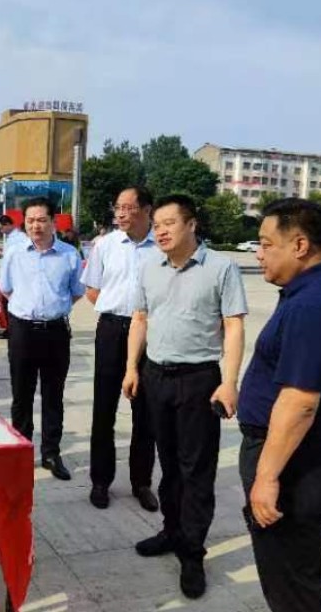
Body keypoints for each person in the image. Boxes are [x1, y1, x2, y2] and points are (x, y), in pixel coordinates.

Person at [238, 198, 321, 612]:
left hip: (297, 464)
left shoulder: (315, 304)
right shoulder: (320, 291)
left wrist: (267, 476)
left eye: (266, 244)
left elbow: (300, 402)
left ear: (299, 245)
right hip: (304, 457)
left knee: (291, 585)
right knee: (296, 573)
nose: (259, 254)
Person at [123, 194, 247, 599]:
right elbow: (140, 319)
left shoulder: (221, 268)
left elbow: (233, 326)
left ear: (192, 224)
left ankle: (192, 552)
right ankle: (171, 531)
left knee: (197, 469)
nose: (160, 231)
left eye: (169, 223)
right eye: (157, 224)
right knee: (169, 463)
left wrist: (229, 382)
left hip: (199, 379)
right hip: (155, 375)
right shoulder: (149, 267)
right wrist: (132, 367)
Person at [80, 186, 158, 512]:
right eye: (118, 208)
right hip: (112, 329)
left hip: (151, 333)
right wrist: (118, 313)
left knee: (146, 412)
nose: (121, 213)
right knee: (104, 409)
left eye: (128, 207)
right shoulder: (105, 245)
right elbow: (92, 290)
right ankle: (101, 481)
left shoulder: (162, 245)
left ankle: (141, 482)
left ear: (147, 210)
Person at [0, 197, 85, 481]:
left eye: (41, 220)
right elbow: (6, 289)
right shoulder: (14, 253)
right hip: (22, 330)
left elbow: (76, 292)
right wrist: (28, 309)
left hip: (56, 332)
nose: (35, 225)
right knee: (21, 395)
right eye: (30, 220)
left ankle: (51, 453)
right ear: (24, 223)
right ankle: (21, 452)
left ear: (53, 222)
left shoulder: (69, 254)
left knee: (53, 395)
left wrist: (52, 309)